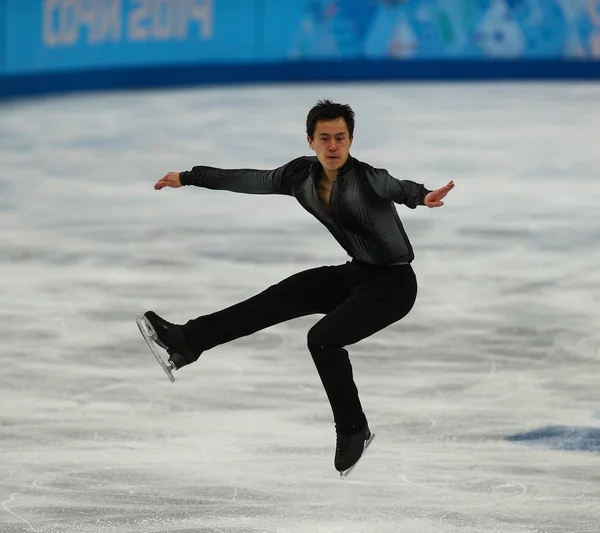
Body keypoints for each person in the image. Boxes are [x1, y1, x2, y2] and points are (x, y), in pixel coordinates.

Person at [142, 99, 454, 475]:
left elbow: (399, 188)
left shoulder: (367, 177)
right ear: (310, 141)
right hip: (356, 274)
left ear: (351, 139)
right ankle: (187, 342)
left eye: (341, 137)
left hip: (394, 286)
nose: (334, 146)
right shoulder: (298, 176)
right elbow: (249, 179)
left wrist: (423, 196)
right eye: (325, 138)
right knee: (279, 297)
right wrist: (191, 177)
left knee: (322, 338)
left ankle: (355, 430)